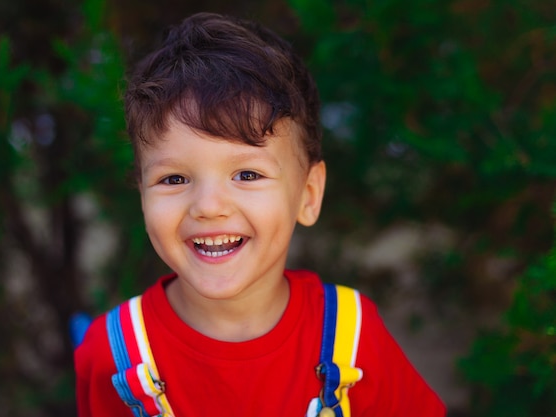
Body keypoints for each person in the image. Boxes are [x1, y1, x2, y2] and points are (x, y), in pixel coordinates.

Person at [74, 12, 446, 417]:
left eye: (247, 174)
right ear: (142, 193)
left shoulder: (352, 337)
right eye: (174, 179)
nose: (209, 206)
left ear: (308, 194)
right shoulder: (114, 355)